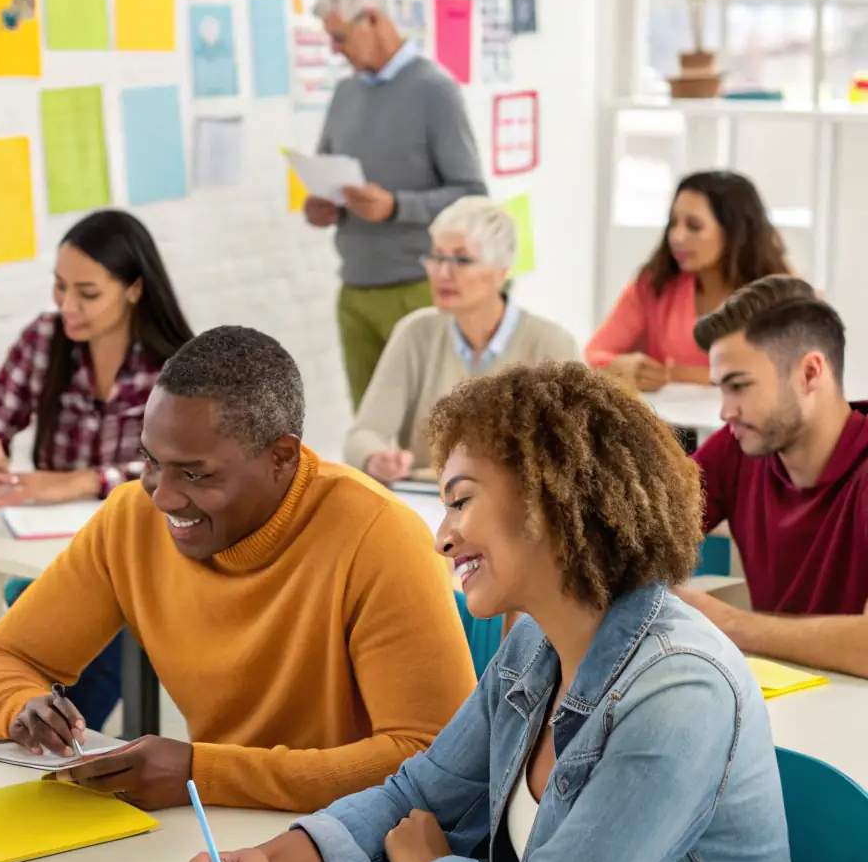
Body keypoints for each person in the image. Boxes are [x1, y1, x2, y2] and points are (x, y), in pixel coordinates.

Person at [185, 363, 824, 862]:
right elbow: (414, 796)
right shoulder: (533, 650)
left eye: (461, 502)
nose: (442, 536)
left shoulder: (679, 692)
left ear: (550, 497)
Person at [0, 325, 476, 862]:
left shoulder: (377, 536)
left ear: (282, 457)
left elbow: (430, 760)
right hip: (220, 852)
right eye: (150, 462)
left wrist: (200, 771)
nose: (162, 495)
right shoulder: (130, 521)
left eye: (197, 473)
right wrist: (22, 704)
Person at [0, 209, 192, 733]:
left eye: (87, 293)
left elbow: (182, 470)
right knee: (44, 634)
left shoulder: (174, 366)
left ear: (133, 289)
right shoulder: (44, 340)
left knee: (99, 635)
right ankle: (58, 736)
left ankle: (63, 738)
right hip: (52, 551)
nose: (67, 306)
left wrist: (83, 481)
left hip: (139, 553)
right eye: (60, 287)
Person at [306, 0, 487, 408]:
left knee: (431, 426)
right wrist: (319, 208)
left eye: (339, 36)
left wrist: (395, 207)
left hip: (419, 288)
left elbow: (471, 195)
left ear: (371, 18)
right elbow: (327, 173)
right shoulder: (345, 94)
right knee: (369, 429)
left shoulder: (435, 91)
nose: (334, 49)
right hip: (355, 289)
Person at [675, 275, 868, 679]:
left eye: (739, 387)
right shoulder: (739, 447)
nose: (725, 412)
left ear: (810, 373)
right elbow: (643, 532)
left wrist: (731, 624)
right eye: (721, 389)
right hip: (779, 699)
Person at [345, 196, 580, 483]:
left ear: (500, 272)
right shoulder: (415, 333)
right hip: (428, 499)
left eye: (461, 259)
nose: (443, 273)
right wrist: (376, 459)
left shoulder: (552, 345)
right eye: (437, 257)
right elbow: (363, 434)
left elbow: (575, 453)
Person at [587, 170, 789, 391]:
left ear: (734, 232)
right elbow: (593, 355)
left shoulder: (780, 293)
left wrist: (673, 374)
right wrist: (623, 368)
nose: (677, 237)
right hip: (667, 414)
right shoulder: (654, 284)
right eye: (673, 223)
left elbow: (784, 372)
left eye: (694, 226)